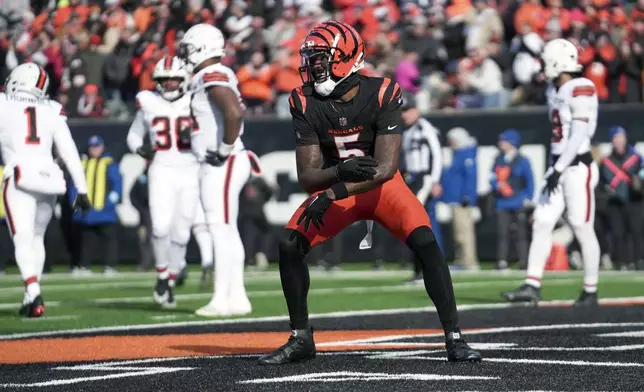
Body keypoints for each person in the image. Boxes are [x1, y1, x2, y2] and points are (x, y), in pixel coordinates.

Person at [258, 21, 481, 365]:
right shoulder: (303, 100)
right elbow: (307, 176)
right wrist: (337, 174)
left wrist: (335, 190)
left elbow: (385, 169)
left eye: (320, 59)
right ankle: (301, 337)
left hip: (380, 187)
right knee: (289, 244)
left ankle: (454, 336)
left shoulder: (382, 92)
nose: (313, 66)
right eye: (311, 59)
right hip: (340, 185)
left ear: (347, 59)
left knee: (425, 242)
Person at [502, 38, 600, 306]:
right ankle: (532, 284)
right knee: (542, 220)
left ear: (558, 62)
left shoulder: (582, 86)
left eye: (547, 60)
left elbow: (579, 132)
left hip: (577, 166)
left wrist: (557, 168)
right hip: (558, 165)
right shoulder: (555, 88)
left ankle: (590, 290)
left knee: (581, 225)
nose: (544, 66)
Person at [0, 63, 90, 318]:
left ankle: (33, 289)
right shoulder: (52, 109)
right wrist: (81, 187)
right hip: (49, 178)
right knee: (37, 238)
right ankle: (31, 296)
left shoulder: (3, 103)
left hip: (19, 176)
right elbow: (69, 150)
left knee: (23, 237)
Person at [178, 23, 253, 317]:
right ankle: (238, 296)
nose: (184, 54)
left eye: (187, 48)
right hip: (227, 159)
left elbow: (233, 112)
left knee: (220, 230)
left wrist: (222, 149)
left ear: (201, 47)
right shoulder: (207, 75)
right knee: (226, 229)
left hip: (223, 161)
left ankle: (222, 298)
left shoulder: (212, 73)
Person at [126, 56, 198, 308]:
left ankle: (172, 275)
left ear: (183, 80)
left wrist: (197, 135)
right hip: (161, 169)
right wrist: (139, 148)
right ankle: (161, 276)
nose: (168, 84)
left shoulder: (195, 100)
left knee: (181, 231)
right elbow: (134, 135)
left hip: (190, 170)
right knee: (159, 227)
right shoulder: (148, 101)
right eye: (163, 80)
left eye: (173, 79)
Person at [400, 93, 443, 283]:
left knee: (417, 222)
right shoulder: (407, 131)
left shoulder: (425, 128)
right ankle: (419, 269)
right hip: (411, 179)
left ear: (416, 110)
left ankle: (427, 269)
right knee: (413, 224)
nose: (404, 115)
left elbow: (437, 154)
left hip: (423, 178)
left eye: (407, 111)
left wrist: (434, 180)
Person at [68, 135, 122, 276]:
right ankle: (85, 266)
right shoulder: (84, 163)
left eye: (97, 146)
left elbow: (117, 182)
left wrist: (112, 199)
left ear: (102, 147)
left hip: (104, 209)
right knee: (87, 240)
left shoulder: (109, 163)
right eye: (92, 147)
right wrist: (75, 201)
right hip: (87, 210)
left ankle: (110, 266)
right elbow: (74, 184)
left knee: (109, 239)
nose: (95, 150)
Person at [599, 126, 644, 271]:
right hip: (615, 201)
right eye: (616, 138)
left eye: (621, 138)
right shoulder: (606, 161)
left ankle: (639, 260)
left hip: (634, 200)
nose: (619, 141)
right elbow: (601, 182)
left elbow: (642, 172)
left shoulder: (636, 158)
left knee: (636, 231)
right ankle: (622, 262)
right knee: (618, 233)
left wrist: (639, 182)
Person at [490, 129, 534, 271]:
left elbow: (530, 181)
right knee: (502, 233)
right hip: (502, 202)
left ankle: (524, 261)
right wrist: (497, 185)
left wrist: (527, 198)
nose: (500, 143)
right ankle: (502, 261)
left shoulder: (522, 160)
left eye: (504, 140)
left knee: (521, 233)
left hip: (518, 201)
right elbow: (492, 177)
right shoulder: (498, 159)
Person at [443, 127, 479, 270]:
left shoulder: (466, 154)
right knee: (458, 233)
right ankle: (461, 260)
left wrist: (467, 196)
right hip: (454, 198)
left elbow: (471, 178)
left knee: (464, 231)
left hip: (461, 199)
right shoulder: (457, 154)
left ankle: (469, 261)